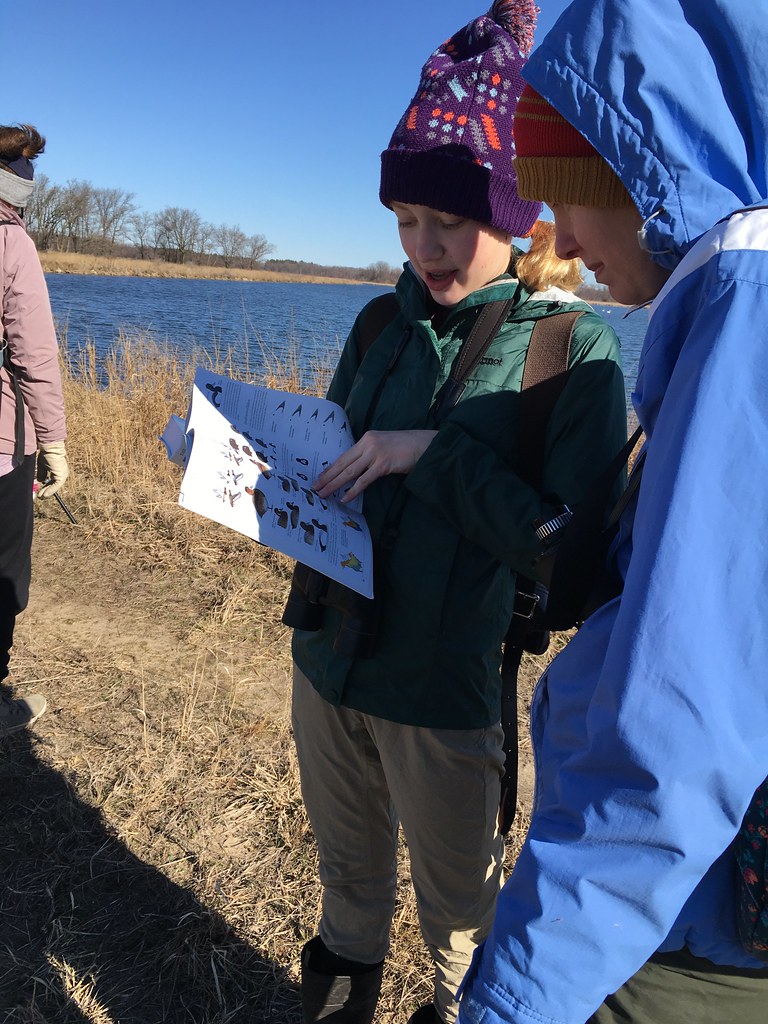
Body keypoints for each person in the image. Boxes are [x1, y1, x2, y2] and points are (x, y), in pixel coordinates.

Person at [285, 3, 628, 1022]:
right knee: (347, 890)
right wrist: (255, 468)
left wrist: (433, 457)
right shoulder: (381, 322)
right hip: (328, 661)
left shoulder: (573, 354)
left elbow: (572, 563)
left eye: (450, 223)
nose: (424, 248)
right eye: (405, 221)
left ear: (520, 218)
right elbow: (332, 457)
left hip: (445, 695)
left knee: (460, 925)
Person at [457, 2, 768, 1022]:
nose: (567, 244)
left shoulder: (743, 304)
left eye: (566, 200)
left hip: (690, 924)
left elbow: (677, 732)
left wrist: (513, 998)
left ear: (633, 169)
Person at [0, 124, 68, 737]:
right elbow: (32, 353)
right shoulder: (11, 245)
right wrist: (54, 442)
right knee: (2, 571)